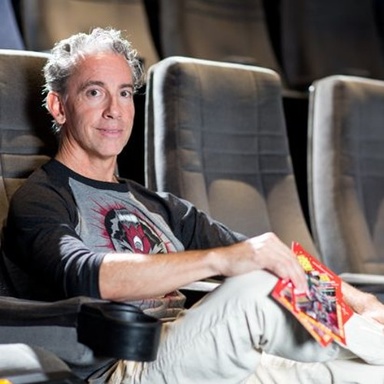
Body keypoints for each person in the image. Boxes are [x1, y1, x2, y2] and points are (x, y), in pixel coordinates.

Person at [2, 27, 384, 384]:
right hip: (124, 364)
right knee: (256, 291)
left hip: (196, 346)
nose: (114, 110)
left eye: (123, 93)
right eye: (94, 92)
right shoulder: (41, 198)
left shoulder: (158, 205)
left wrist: (362, 303)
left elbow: (273, 254)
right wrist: (220, 260)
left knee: (350, 371)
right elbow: (85, 275)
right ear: (58, 106)